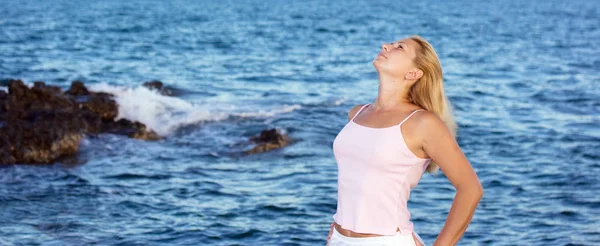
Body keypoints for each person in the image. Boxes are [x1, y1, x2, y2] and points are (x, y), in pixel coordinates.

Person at [326, 36, 484, 246]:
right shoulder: (357, 113)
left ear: (413, 73)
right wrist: (336, 231)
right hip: (339, 239)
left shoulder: (423, 123)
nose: (386, 46)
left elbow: (470, 189)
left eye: (399, 47)